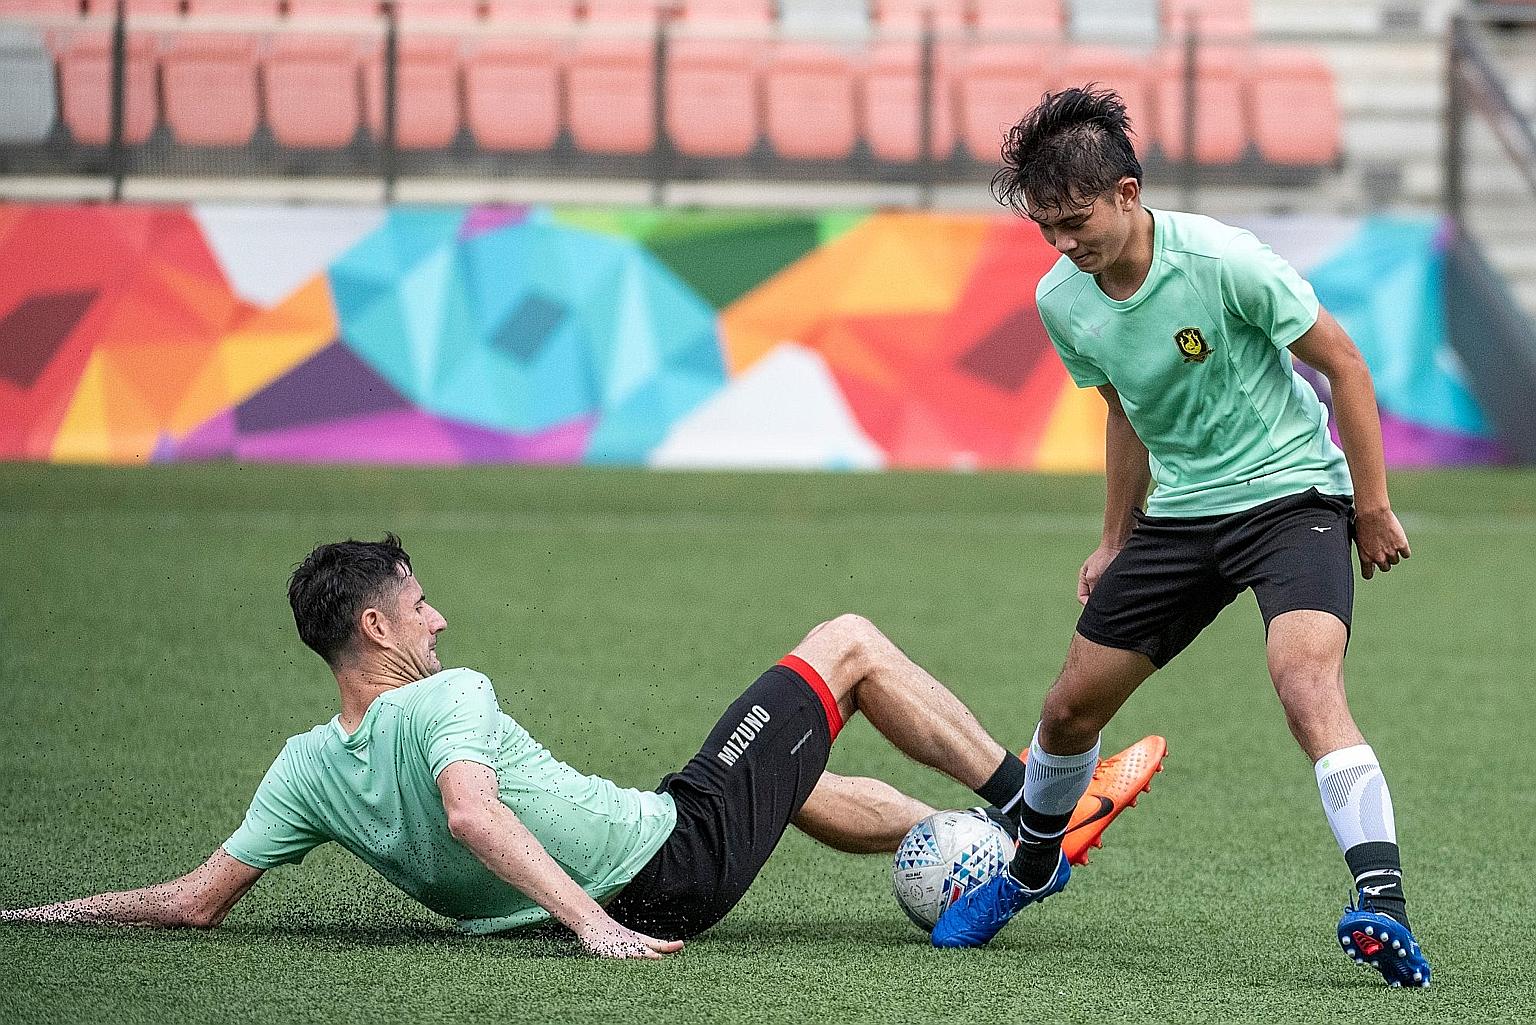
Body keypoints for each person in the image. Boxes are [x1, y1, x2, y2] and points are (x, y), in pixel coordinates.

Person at [1, 534, 1161, 957]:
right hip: (661, 864)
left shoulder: (307, 763)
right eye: (418, 605)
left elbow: (197, 899)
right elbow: (468, 809)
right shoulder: (445, 701)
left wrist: (48, 912)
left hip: (669, 847)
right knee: (847, 639)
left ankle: (973, 857)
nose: (438, 618)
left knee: (790, 775)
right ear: (375, 626)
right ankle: (1032, 813)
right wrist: (595, 923)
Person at [931, 87, 1431, 990]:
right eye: (1047, 228)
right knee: (1067, 711)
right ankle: (1034, 865)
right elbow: (1124, 409)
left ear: (1126, 193)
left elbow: (1345, 366)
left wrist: (1371, 504)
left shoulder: (1225, 260)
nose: (1063, 245)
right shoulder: (1062, 299)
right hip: (1181, 514)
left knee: (1304, 681)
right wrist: (1115, 537)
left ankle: (1382, 906)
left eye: (1075, 222)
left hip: (1291, 498)